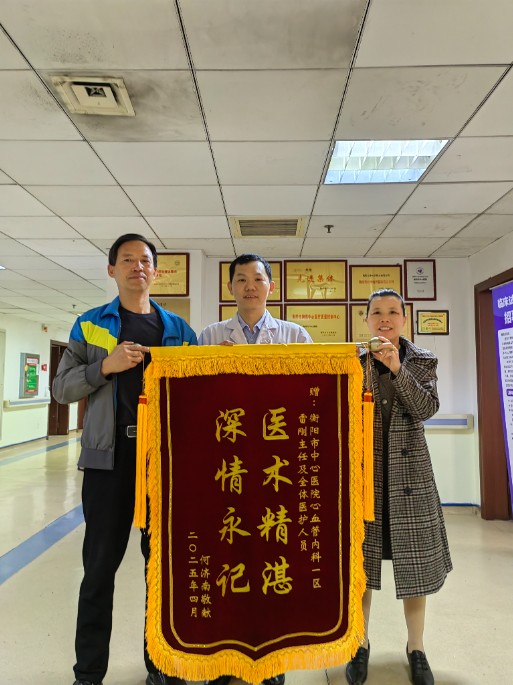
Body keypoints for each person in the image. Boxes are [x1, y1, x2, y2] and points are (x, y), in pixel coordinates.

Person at [52, 234, 197, 685]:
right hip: (108, 462)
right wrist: (104, 367)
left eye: (145, 260)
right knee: (98, 570)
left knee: (163, 570)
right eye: (127, 259)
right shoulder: (91, 325)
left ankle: (163, 667)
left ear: (156, 272)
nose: (138, 266)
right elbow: (62, 388)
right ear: (112, 270)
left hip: (164, 464)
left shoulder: (179, 331)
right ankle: (88, 673)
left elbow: (200, 390)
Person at [198, 253, 313, 685]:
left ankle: (271, 662)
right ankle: (223, 659)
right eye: (242, 279)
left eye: (258, 279)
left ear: (271, 287)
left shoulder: (294, 335)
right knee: (227, 560)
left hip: (274, 469)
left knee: (273, 560)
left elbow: (310, 396)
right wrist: (213, 367)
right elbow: (196, 402)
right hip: (226, 468)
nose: (250, 286)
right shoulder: (210, 336)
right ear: (230, 288)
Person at [345, 289, 452, 685]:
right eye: (377, 312)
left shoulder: (422, 360)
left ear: (404, 319)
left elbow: (426, 408)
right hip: (365, 478)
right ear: (366, 319)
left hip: (410, 478)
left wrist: (396, 369)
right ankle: (360, 643)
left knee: (415, 568)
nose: (384, 319)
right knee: (362, 568)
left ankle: (416, 648)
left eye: (392, 312)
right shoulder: (352, 361)